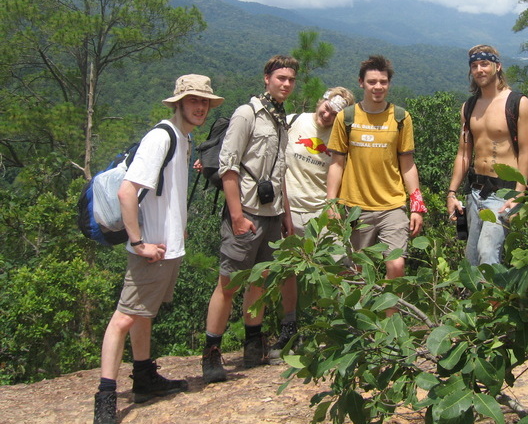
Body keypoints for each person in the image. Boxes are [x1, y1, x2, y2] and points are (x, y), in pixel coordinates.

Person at [94, 74, 224, 424]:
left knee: (143, 314)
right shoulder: (161, 137)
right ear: (178, 103)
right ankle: (105, 396)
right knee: (123, 317)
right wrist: (139, 243)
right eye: (193, 100)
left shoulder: (183, 139)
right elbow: (126, 191)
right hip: (150, 248)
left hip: (166, 247)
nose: (200, 107)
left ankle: (144, 376)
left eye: (205, 102)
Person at [201, 55, 297, 383]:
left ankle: (252, 343)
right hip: (246, 213)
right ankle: (212, 353)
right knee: (228, 284)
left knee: (260, 280)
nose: (286, 84)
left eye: (290, 79)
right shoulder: (247, 114)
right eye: (280, 77)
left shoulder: (280, 118)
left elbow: (279, 168)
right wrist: (237, 216)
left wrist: (284, 214)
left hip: (272, 214)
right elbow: (229, 165)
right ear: (266, 78)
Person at [325, 55, 426, 300]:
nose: (377, 87)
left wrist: (417, 205)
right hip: (356, 207)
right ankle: (361, 326)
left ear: (389, 84)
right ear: (361, 83)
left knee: (396, 266)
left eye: (383, 81)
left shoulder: (401, 118)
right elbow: (337, 164)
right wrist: (331, 202)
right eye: (372, 82)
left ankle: (391, 321)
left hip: (392, 205)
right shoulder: (346, 118)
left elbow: (408, 165)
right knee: (358, 271)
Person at [274, 87, 355, 359]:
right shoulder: (295, 121)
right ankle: (289, 327)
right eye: (325, 107)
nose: (327, 114)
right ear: (321, 101)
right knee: (287, 271)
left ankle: (345, 326)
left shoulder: (340, 135)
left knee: (342, 267)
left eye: (334, 112)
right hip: (288, 208)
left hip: (323, 212)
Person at [446, 45, 528, 266]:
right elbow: (463, 153)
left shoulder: (517, 103)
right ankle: (477, 301)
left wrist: (518, 194)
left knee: (487, 253)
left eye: (484, 64)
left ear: (497, 66)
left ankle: (495, 300)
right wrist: (451, 192)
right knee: (472, 259)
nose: (479, 70)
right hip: (476, 192)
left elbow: (526, 152)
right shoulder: (469, 107)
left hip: (504, 193)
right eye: (474, 66)